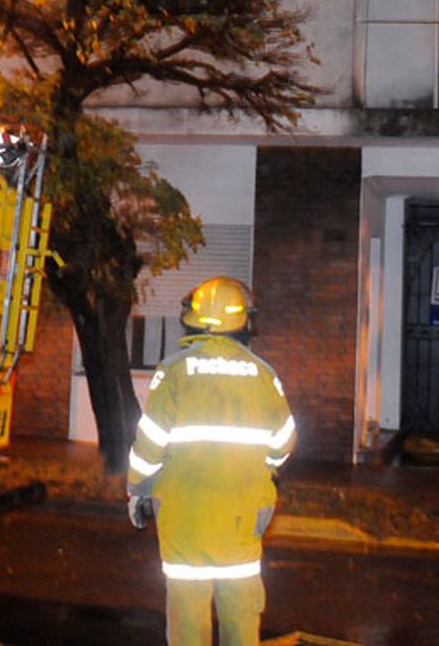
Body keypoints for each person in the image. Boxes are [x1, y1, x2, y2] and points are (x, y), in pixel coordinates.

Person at [127, 276, 296, 646]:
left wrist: (138, 492)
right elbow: (284, 444)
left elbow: (149, 446)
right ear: (244, 322)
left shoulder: (172, 372)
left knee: (188, 620)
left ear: (193, 319)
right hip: (242, 518)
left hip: (185, 518)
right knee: (240, 613)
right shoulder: (263, 375)